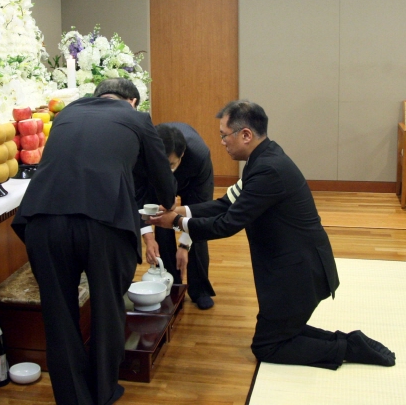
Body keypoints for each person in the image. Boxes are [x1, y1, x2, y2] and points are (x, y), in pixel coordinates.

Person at [148, 100, 396, 369]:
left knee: (267, 347)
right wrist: (180, 209)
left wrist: (177, 223)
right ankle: (350, 341)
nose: (222, 142)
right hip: (289, 266)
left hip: (298, 272)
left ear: (245, 135)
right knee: (279, 336)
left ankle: (348, 347)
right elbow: (225, 203)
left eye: (224, 135)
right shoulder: (263, 158)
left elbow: (227, 224)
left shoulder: (268, 170)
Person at [11, 78, 177, 404]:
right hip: (104, 222)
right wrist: (166, 202)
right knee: (107, 309)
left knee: (58, 315)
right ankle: (103, 392)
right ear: (132, 101)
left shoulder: (66, 114)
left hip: (43, 220)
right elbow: (163, 180)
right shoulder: (137, 118)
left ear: (97, 95)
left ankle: (73, 399)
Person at [138, 122, 216, 310]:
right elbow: (137, 198)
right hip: (154, 181)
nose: (166, 170)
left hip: (191, 184)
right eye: (162, 164)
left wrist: (184, 245)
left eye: (171, 164)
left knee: (196, 231)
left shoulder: (199, 156)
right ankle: (172, 287)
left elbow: (200, 209)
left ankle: (200, 289)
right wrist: (148, 238)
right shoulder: (142, 153)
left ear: (182, 156)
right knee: (162, 221)